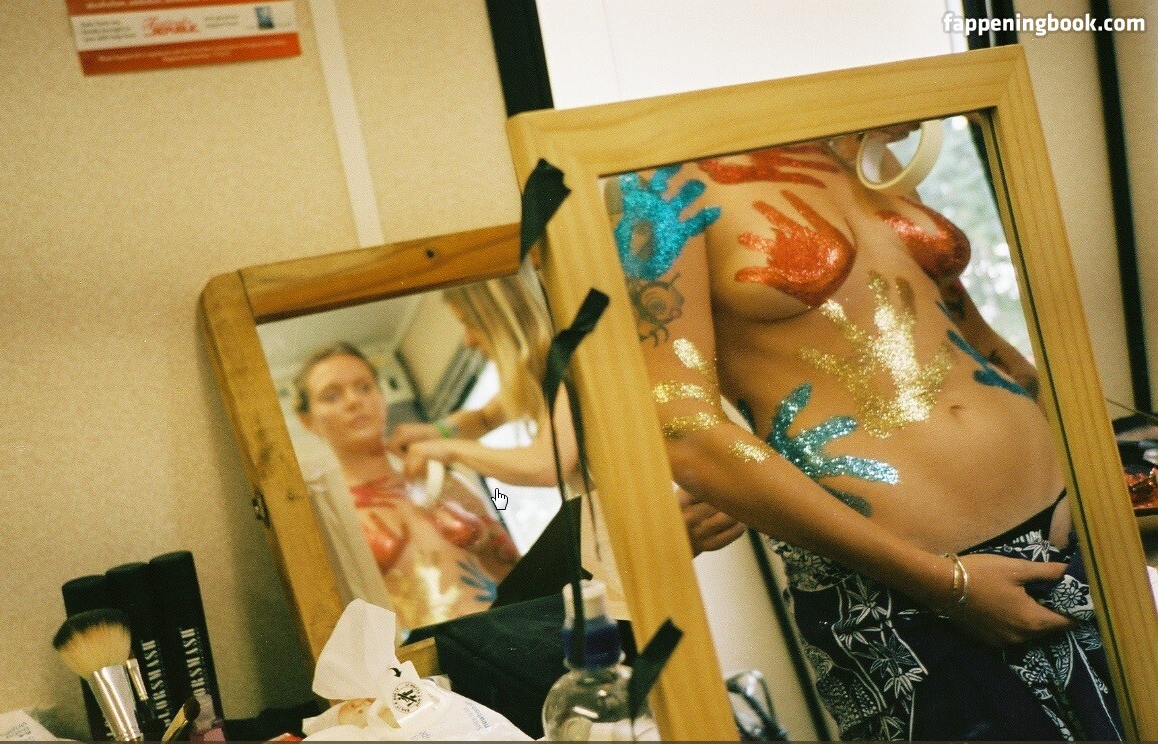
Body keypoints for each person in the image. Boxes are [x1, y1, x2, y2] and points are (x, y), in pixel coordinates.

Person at [610, 133, 1122, 740]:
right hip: (900, 588)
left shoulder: (868, 156)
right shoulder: (663, 184)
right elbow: (684, 428)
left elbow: (981, 344)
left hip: (1071, 539)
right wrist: (945, 585)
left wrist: (1093, 475)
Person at [387, 273, 749, 563]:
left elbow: (547, 465)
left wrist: (448, 449)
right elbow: (483, 418)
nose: (467, 341)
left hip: (681, 510)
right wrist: (435, 431)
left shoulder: (572, 361)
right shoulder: (540, 376)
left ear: (500, 317)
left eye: (469, 323)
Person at [293, 342, 520, 631]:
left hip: (510, 629)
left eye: (364, 387)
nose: (353, 401)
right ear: (308, 420)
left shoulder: (445, 480)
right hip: (426, 655)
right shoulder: (329, 518)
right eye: (331, 396)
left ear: (382, 397)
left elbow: (514, 565)